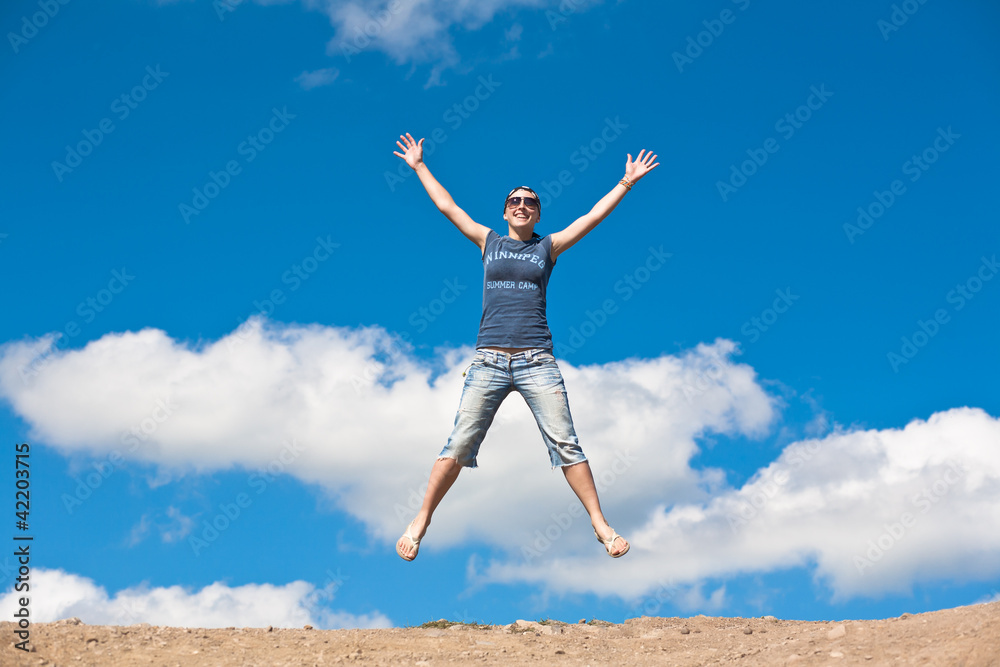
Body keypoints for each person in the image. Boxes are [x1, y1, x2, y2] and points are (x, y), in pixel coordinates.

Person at [392, 132, 658, 561]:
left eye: (530, 202)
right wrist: (420, 165)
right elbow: (447, 207)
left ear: (536, 214)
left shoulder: (548, 247)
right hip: (489, 361)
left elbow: (590, 218)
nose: (521, 205)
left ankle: (600, 525)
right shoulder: (488, 242)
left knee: (566, 444)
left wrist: (625, 183)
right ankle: (421, 519)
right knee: (459, 443)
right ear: (504, 211)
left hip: (538, 361)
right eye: (514, 201)